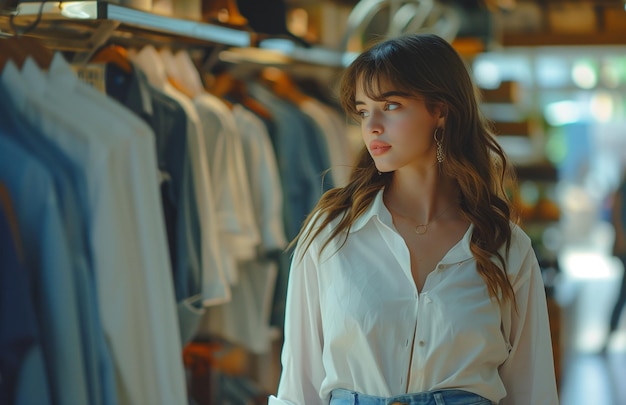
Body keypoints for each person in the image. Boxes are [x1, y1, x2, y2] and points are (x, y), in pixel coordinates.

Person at [268, 33, 558, 405]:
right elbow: (299, 386)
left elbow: (533, 392)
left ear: (440, 110)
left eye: (390, 106)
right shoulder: (330, 234)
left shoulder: (505, 246)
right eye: (362, 110)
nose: (371, 125)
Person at [604, 176, 626, 352]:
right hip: (624, 246)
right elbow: (616, 216)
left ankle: (609, 335)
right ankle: (609, 335)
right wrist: (620, 239)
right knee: (623, 293)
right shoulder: (622, 187)